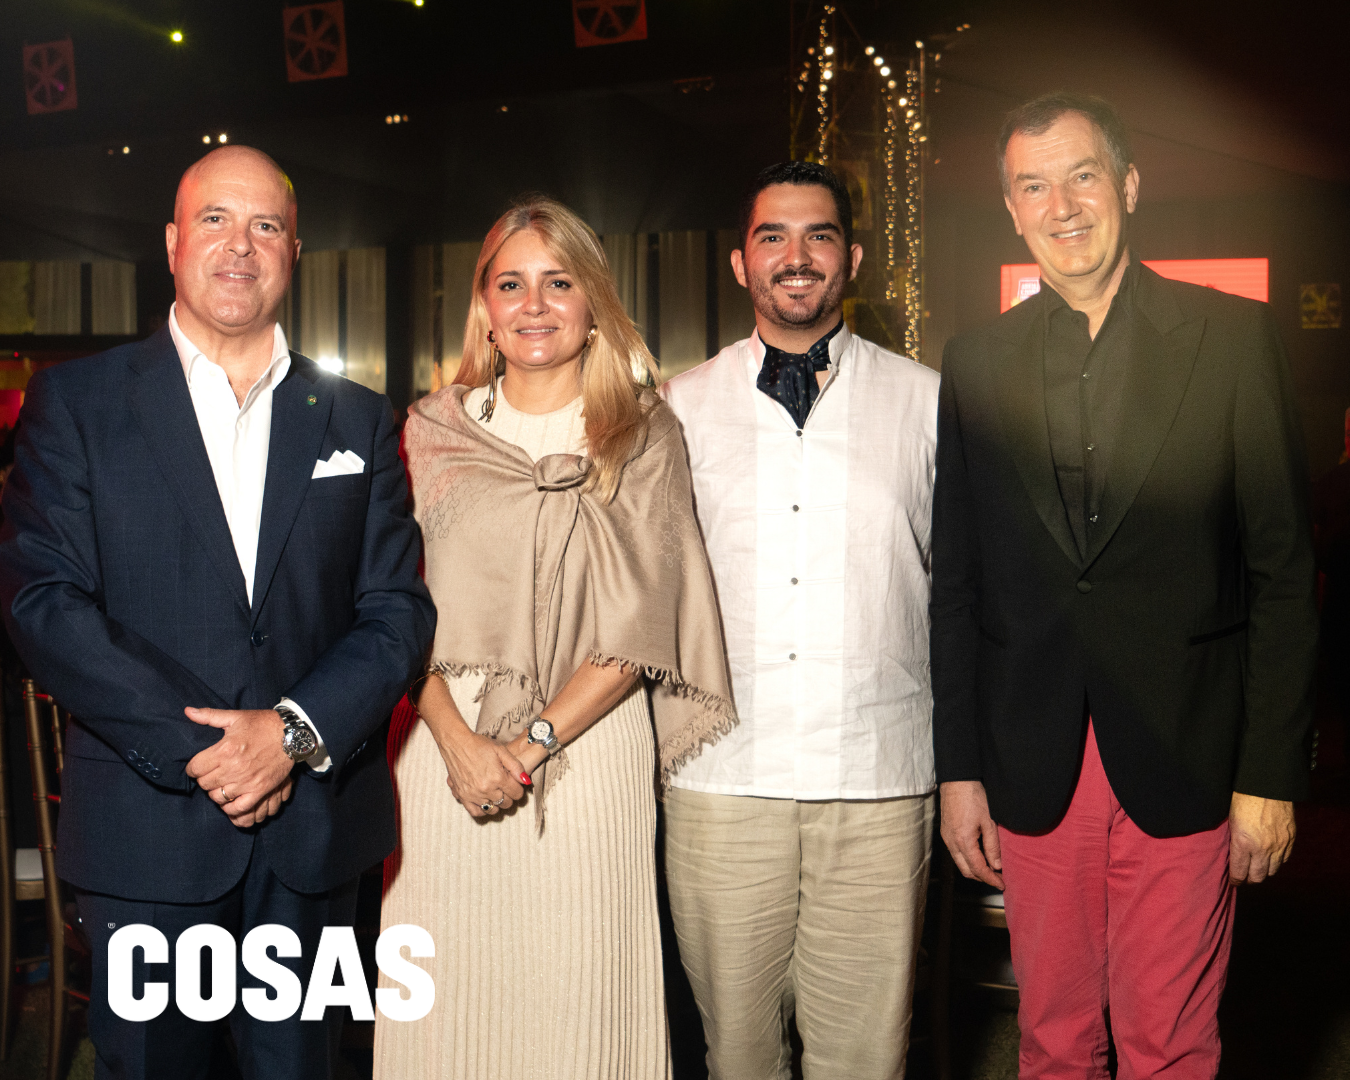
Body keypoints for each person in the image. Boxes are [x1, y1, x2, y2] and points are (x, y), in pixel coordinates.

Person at [0, 146, 435, 1080]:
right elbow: (44, 603)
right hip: (145, 839)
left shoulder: (358, 418)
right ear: (171, 242)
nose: (240, 245)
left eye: (265, 225)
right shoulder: (77, 403)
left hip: (314, 837)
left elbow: (396, 612)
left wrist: (289, 735)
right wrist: (212, 749)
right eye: (215, 220)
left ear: (294, 252)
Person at [931, 92, 1318, 1078]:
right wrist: (959, 768)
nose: (1061, 206)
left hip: (1190, 749)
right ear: (1011, 210)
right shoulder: (974, 364)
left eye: (1083, 176)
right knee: (1053, 1042)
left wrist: (1272, 775)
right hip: (1033, 756)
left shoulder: (1233, 339)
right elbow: (957, 585)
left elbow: (1284, 575)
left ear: (1130, 186)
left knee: (1172, 1046)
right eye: (1033, 186)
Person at [374, 196, 735, 1080]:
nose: (534, 305)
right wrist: (460, 744)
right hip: (442, 756)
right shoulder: (429, 432)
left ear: (594, 304)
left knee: (583, 1005)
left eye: (559, 282)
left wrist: (529, 747)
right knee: (445, 1008)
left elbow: (645, 618)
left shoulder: (642, 433)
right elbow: (388, 605)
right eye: (511, 284)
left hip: (587, 757)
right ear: (485, 309)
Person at [660, 161, 940, 1080]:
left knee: (866, 1057)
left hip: (879, 777)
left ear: (851, 259)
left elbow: (964, 592)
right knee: (737, 1055)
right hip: (720, 778)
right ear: (740, 262)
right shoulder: (676, 408)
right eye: (772, 236)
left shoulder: (929, 401)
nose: (796, 255)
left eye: (819, 235)